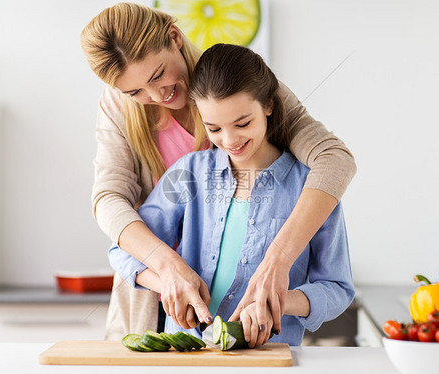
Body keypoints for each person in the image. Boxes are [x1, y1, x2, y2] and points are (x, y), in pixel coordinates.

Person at [81, 2, 357, 340]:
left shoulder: (240, 81)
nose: (156, 96)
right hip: (158, 302)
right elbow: (109, 202)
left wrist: (277, 268)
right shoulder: (162, 146)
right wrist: (167, 271)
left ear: (175, 37)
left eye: (157, 75)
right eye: (135, 91)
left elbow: (334, 159)